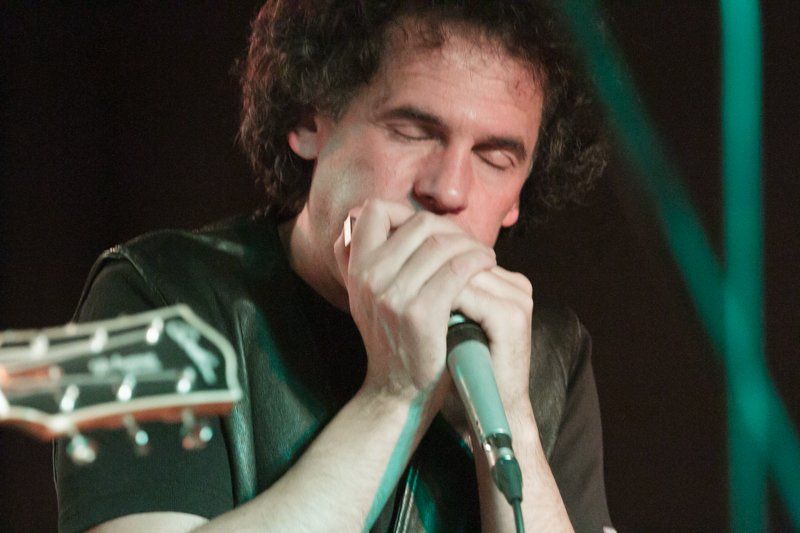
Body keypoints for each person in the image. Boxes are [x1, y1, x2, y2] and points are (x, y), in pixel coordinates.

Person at [55, 1, 612, 531]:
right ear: (307, 122)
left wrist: (513, 416)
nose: (448, 190)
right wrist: (394, 395)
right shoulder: (152, 296)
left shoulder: (549, 354)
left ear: (518, 196)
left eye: (494, 158)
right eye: (413, 131)